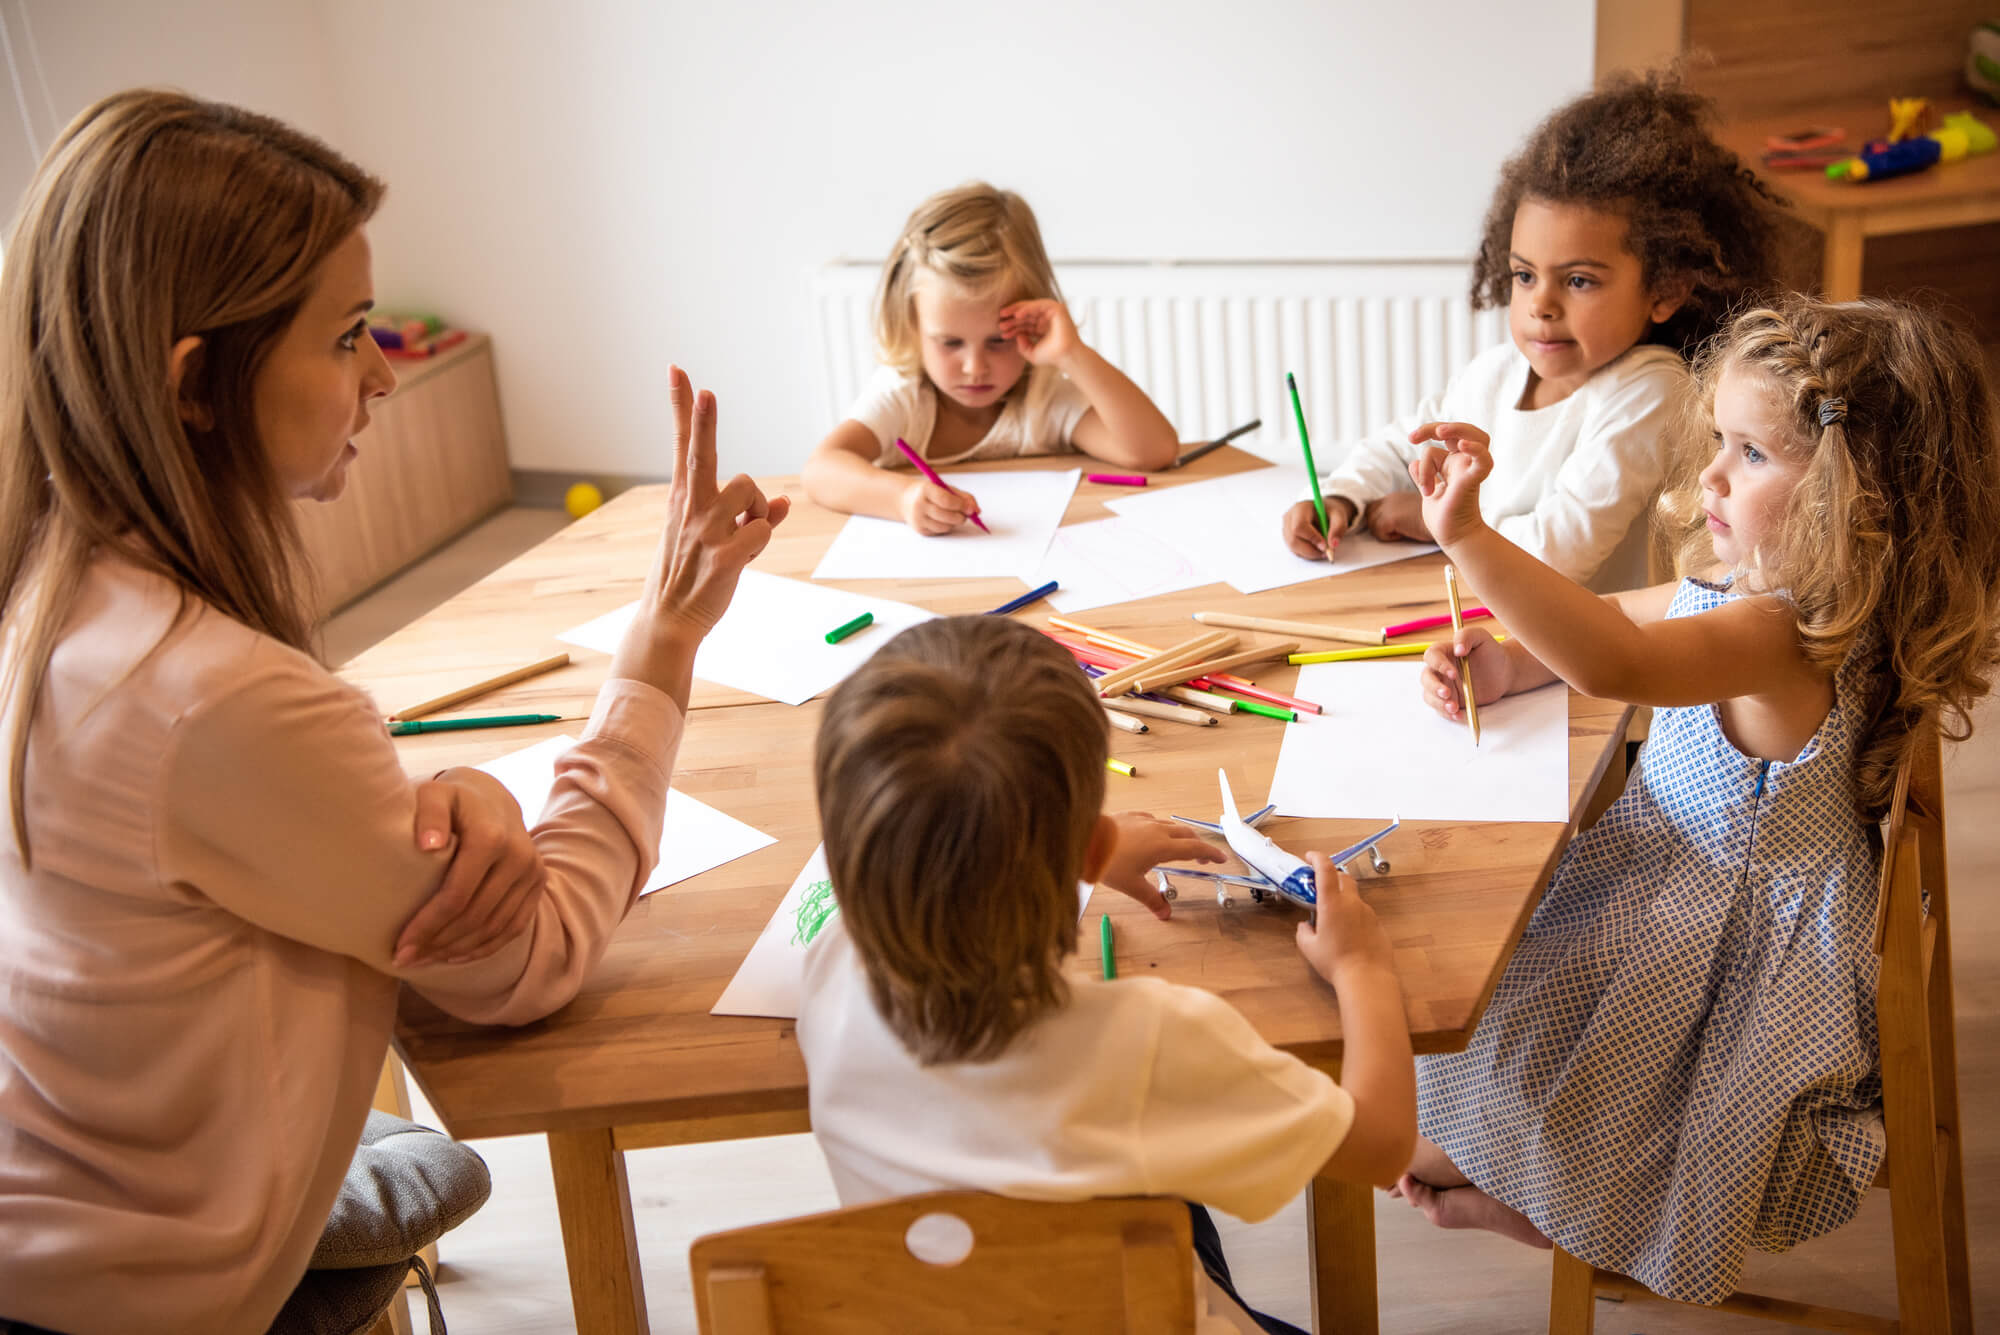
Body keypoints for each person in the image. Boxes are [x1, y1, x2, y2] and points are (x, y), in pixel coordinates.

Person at [0, 90, 785, 1334]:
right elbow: (523, 965)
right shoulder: (209, 696)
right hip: (142, 1289)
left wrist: (458, 801)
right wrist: (660, 651)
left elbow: (274, 829)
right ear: (196, 384)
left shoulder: (55, 584)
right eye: (347, 336)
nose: (381, 375)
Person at [1396, 295, 2000, 1303]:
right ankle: (1552, 1198)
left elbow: (1612, 656)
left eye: (1751, 455)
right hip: (1686, 893)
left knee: (1414, 1121)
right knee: (1437, 1103)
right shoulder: (1797, 591)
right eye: (1718, 441)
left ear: (1854, 497)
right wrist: (1506, 664)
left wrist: (1463, 536)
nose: (1710, 475)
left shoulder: (1780, 637)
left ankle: (1561, 1215)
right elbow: (1621, 616)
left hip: (1712, 946)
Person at [795, 615, 1416, 1334]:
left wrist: (1070, 850)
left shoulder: (831, 963)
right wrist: (1363, 966)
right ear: (1092, 845)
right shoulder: (1151, 1042)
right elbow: (1381, 1147)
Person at [1282, 71, 1782, 590]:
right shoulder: (1496, 374)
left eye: (1579, 280)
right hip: (1502, 625)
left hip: (1593, 657)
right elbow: (1399, 447)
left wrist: (1436, 522)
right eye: (1524, 275)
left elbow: (1555, 553)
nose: (1541, 304)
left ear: (1666, 290)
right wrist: (1341, 498)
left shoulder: (1650, 390)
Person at [802, 182, 1178, 534]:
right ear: (911, 325)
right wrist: (903, 499)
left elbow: (1152, 451)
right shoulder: (904, 395)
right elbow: (821, 470)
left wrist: (1072, 353)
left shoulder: (1043, 398)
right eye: (950, 343)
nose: (974, 367)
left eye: (998, 341)